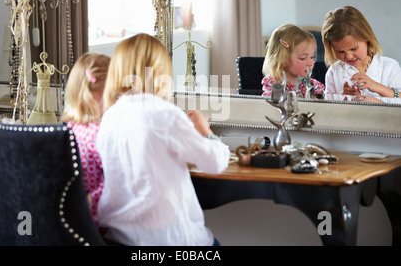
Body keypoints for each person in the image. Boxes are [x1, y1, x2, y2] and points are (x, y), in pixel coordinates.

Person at [96, 33, 230, 246]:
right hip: (171, 240)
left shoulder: (109, 118)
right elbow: (214, 163)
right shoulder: (164, 113)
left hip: (121, 239)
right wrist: (206, 132)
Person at [60, 52, 110, 231]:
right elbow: (117, 188)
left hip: (69, 224)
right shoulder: (102, 136)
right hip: (96, 225)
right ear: (94, 94)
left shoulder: (66, 129)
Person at [322, 5, 401, 103]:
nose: (349, 56)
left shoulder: (390, 67)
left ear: (367, 37)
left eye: (354, 48)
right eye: (340, 51)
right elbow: (328, 107)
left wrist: (377, 88)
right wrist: (342, 96)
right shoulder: (334, 72)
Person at [262, 24, 325, 97]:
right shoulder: (274, 85)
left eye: (312, 57)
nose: (310, 63)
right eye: (303, 58)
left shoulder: (314, 86)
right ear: (283, 59)